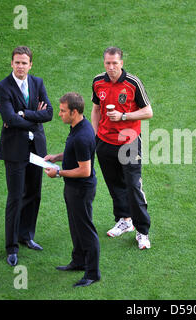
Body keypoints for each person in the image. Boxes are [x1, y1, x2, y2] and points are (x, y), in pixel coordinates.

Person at [0, 46, 53, 266]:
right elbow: (9, 117)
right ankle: (11, 247)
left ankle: (26, 235)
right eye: (17, 62)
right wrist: (32, 117)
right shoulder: (2, 87)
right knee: (15, 196)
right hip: (15, 150)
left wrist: (24, 114)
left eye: (24, 63)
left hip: (36, 148)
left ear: (31, 65)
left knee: (34, 193)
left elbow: (48, 113)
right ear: (11, 63)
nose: (20, 66)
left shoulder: (37, 83)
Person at [91, 47, 153, 250]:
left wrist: (124, 116)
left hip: (129, 142)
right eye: (107, 63)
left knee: (133, 186)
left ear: (121, 63)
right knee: (114, 184)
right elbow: (96, 109)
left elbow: (148, 112)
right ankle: (125, 220)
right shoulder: (98, 81)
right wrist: (94, 137)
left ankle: (142, 231)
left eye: (114, 63)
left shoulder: (133, 83)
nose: (111, 67)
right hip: (104, 142)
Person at [44, 92, 101, 288]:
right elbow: (73, 154)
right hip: (74, 189)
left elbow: (84, 170)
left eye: (62, 111)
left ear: (74, 112)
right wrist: (56, 157)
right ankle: (78, 261)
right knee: (75, 227)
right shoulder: (79, 126)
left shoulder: (82, 136)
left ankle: (92, 273)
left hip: (81, 190)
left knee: (85, 230)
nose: (59, 114)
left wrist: (58, 173)